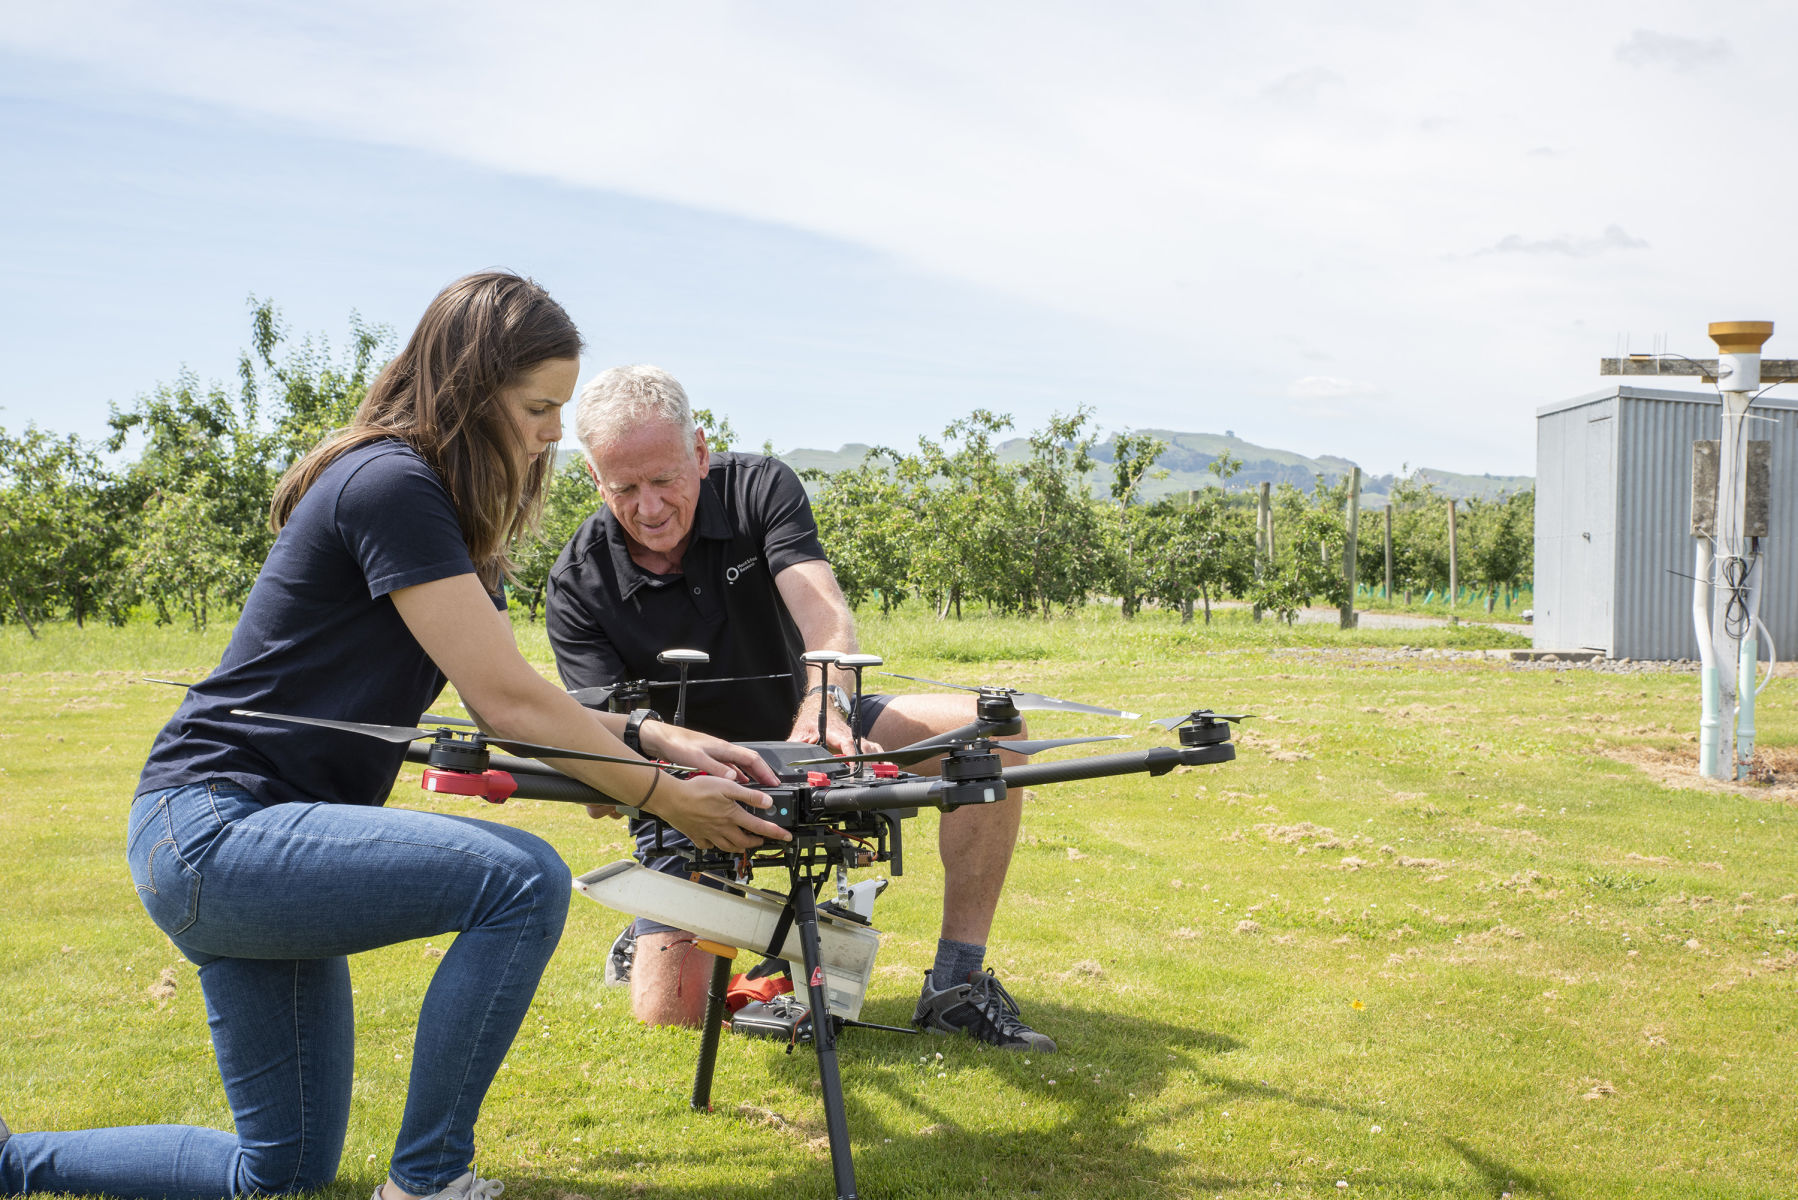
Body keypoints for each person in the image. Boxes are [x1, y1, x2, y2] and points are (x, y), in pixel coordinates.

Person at [0, 274, 789, 1200]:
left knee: (282, 1173)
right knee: (520, 879)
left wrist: (656, 740)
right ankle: (429, 1183)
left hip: (257, 839)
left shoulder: (435, 510)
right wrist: (664, 800)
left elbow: (519, 696)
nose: (550, 434)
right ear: (471, 388)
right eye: (539, 407)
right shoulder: (391, 482)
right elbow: (507, 704)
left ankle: (11, 1164)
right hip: (215, 830)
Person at [544, 364, 1056, 1053]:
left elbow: (827, 621)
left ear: (700, 451)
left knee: (992, 732)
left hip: (811, 735)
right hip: (684, 791)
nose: (650, 507)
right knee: (674, 1015)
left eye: (665, 479)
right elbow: (600, 762)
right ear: (595, 480)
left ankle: (956, 984)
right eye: (624, 488)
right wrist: (649, 780)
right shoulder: (576, 583)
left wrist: (827, 716)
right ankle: (659, 930)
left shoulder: (761, 487)